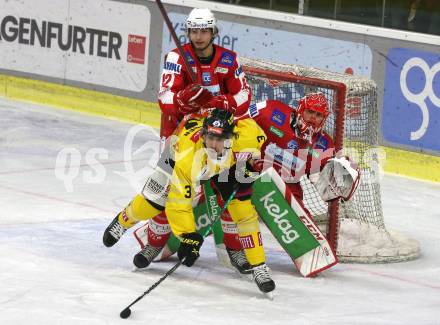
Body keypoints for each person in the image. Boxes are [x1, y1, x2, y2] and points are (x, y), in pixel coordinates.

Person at [103, 109, 275, 294]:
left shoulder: (247, 135)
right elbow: (178, 204)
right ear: (203, 135)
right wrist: (188, 237)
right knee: (153, 202)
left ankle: (259, 267)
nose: (213, 144)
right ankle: (123, 220)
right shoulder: (186, 158)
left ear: (231, 137)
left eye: (220, 139)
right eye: (210, 137)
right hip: (174, 159)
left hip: (224, 168)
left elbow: (260, 149)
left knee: (244, 212)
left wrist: (250, 168)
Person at [141, 7, 253, 273]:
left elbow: (244, 95)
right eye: (194, 30)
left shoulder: (228, 59)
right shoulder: (177, 58)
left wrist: (225, 102)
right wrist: (181, 101)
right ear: (188, 32)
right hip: (180, 132)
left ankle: (234, 249)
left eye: (204, 30)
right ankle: (155, 242)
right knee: (167, 190)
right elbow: (164, 97)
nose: (199, 36)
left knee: (227, 190)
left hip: (216, 135)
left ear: (213, 32)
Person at [242, 92, 336, 201]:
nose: (313, 117)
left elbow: (324, 184)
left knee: (296, 210)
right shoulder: (271, 110)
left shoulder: (325, 145)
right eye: (310, 111)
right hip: (252, 170)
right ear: (300, 109)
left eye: (319, 115)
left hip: (287, 184)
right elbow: (239, 121)